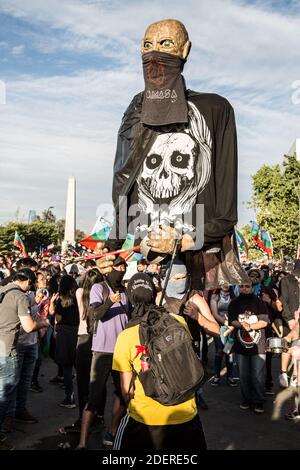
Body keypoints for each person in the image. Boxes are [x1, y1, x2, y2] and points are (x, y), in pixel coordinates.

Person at [97, 18, 247, 292]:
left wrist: (182, 241)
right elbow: (125, 182)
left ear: (184, 50)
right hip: (147, 259)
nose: (154, 54)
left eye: (166, 44)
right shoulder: (137, 109)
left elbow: (225, 215)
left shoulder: (215, 109)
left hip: (200, 267)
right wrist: (111, 247)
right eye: (147, 46)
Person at [112, 273, 207, 450]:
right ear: (154, 295)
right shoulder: (178, 321)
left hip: (145, 420)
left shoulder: (125, 336)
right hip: (186, 415)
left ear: (131, 298)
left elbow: (126, 391)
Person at [77, 256, 129, 449]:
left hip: (122, 352)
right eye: (118, 266)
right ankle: (82, 442)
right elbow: (96, 314)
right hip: (102, 351)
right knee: (94, 397)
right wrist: (109, 301)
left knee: (123, 394)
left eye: (124, 266)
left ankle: (113, 432)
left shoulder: (126, 290)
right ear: (110, 269)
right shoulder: (100, 287)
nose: (121, 269)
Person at [0, 271, 49, 450]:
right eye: (32, 282)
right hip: (6, 350)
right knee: (5, 395)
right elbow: (28, 326)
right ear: (27, 281)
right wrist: (43, 323)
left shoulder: (2, 290)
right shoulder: (19, 296)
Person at [228, 280, 270, 413]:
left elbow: (264, 322)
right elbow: (232, 321)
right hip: (240, 346)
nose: (244, 288)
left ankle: (259, 401)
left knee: (258, 375)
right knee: (243, 375)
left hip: (258, 345)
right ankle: (246, 399)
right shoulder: (234, 303)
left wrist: (250, 326)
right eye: (241, 286)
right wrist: (242, 325)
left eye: (247, 286)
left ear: (252, 288)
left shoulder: (259, 302)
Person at [50, 275, 80, 408]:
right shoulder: (78, 298)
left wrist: (53, 305)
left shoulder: (61, 300)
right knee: (79, 366)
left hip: (64, 334)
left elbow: (59, 318)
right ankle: (85, 396)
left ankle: (70, 397)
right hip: (77, 332)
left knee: (67, 368)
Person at [210, 286, 237, 386]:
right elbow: (215, 314)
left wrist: (231, 325)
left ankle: (230, 376)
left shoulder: (233, 297)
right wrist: (226, 323)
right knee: (219, 350)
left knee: (229, 351)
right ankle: (217, 376)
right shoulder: (215, 296)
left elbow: (236, 312)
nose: (225, 285)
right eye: (223, 283)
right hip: (219, 326)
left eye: (228, 283)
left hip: (231, 327)